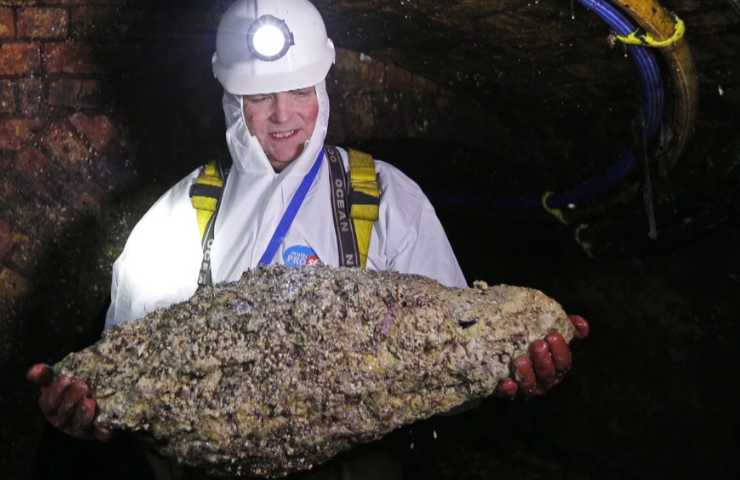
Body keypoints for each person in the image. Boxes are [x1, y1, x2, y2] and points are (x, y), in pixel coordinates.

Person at [27, 0, 590, 476]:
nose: (282, 116)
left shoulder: (386, 197)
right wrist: (86, 412)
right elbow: (122, 384)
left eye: (299, 90)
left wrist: (513, 370)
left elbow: (454, 360)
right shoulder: (181, 214)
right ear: (231, 101)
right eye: (260, 97)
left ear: (323, 87)